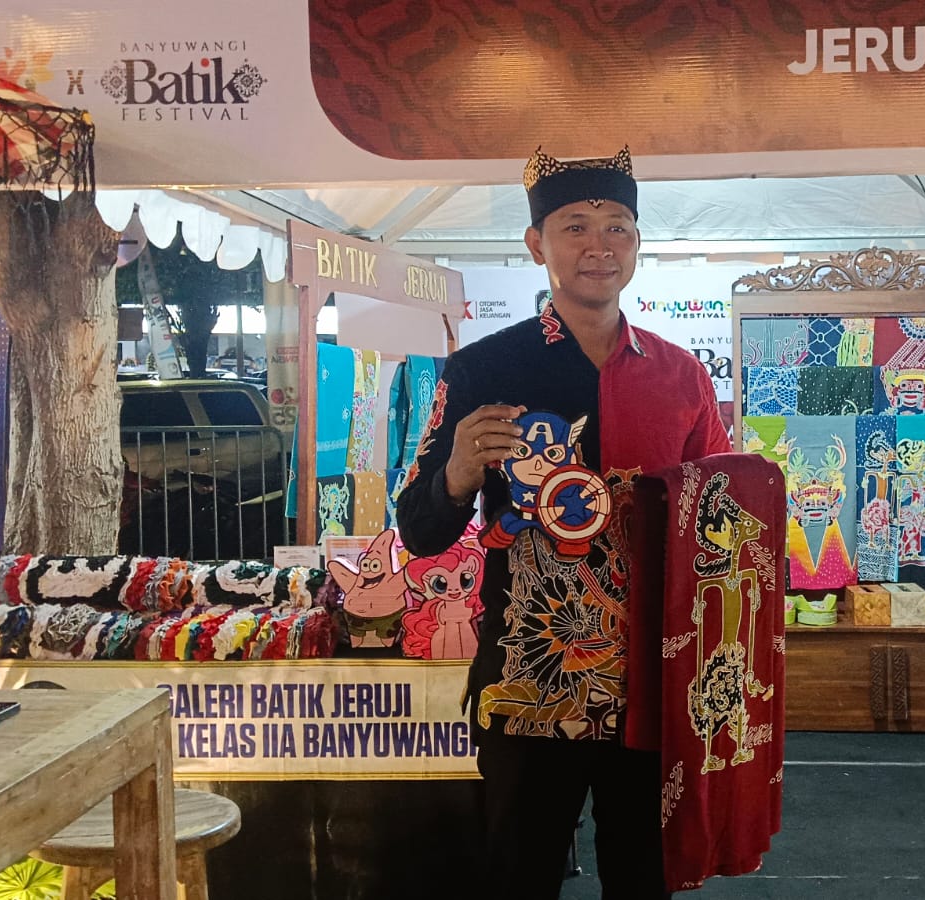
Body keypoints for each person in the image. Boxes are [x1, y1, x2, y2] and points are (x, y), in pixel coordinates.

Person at [396, 146, 730, 899]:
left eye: (617, 228)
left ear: (637, 243)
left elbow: (718, 519)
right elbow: (418, 532)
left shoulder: (681, 375)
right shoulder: (482, 370)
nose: (599, 245)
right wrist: (458, 472)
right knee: (519, 873)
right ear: (536, 243)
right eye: (575, 226)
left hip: (652, 675)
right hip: (529, 677)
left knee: (644, 876)